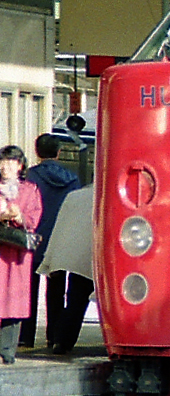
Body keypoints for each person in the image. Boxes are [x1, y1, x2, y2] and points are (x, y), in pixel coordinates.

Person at [21, 134, 79, 349]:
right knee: (57, 291)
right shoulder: (72, 179)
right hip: (60, 240)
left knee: (28, 289)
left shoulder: (29, 177)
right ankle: (53, 336)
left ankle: (25, 337)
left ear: (37, 152)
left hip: (33, 239)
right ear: (59, 152)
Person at [36, 184, 93, 354]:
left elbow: (60, 228)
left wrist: (52, 257)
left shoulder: (74, 197)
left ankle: (61, 340)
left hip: (77, 257)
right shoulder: (113, 195)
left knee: (76, 298)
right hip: (105, 256)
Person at [0, 145, 42, 363]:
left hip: (17, 255)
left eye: (11, 162)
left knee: (13, 302)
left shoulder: (30, 190)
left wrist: (17, 216)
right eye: (3, 162)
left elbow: (33, 220)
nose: (6, 166)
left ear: (20, 166)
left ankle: (6, 352)